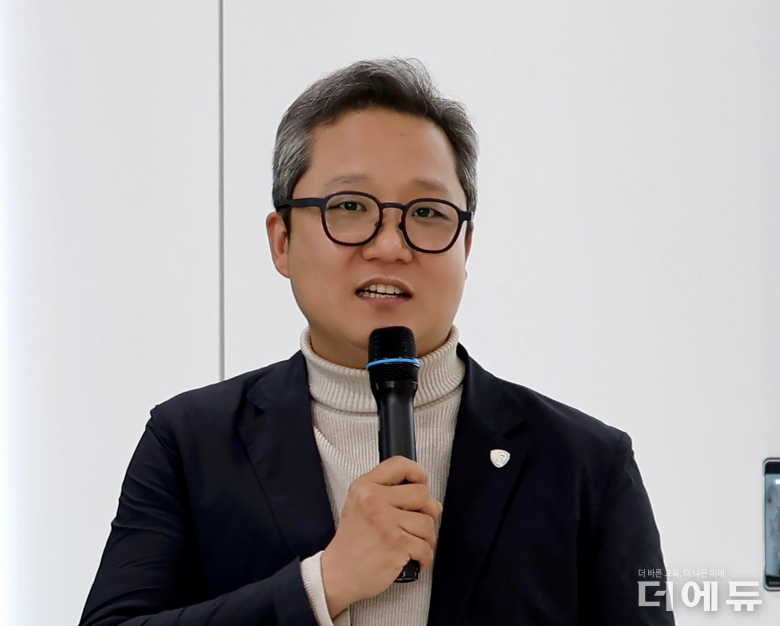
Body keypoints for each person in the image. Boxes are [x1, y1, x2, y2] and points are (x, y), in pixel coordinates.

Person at [79, 58, 674, 626]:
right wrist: (325, 582)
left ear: (466, 246)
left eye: (428, 212)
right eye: (350, 206)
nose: (391, 245)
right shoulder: (191, 443)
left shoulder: (585, 464)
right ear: (282, 240)